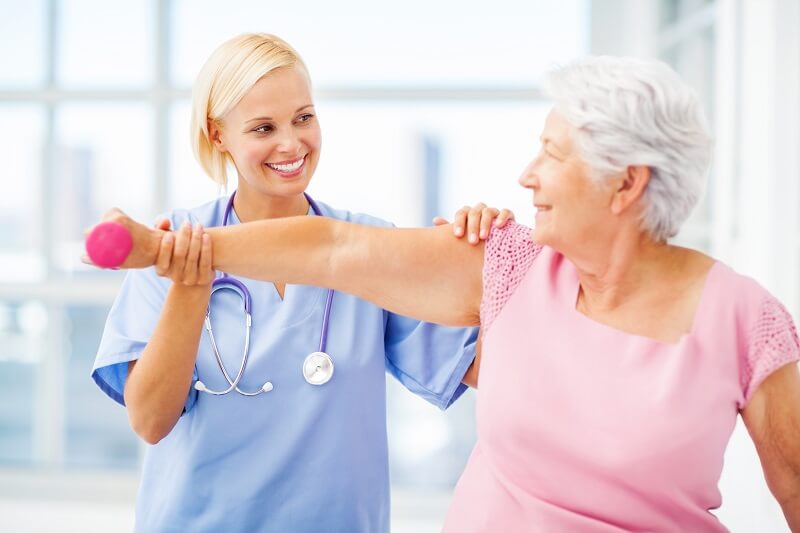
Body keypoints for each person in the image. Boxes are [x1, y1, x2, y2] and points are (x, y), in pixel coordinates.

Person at [93, 55, 800, 531]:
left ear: (627, 182)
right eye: (264, 124)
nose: (525, 175)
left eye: (551, 155)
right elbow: (332, 248)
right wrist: (168, 253)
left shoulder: (743, 318)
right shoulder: (508, 265)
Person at [90, 33, 515, 532]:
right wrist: (190, 282)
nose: (291, 143)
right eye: (263, 127)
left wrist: (493, 260)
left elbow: (495, 372)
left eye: (304, 118)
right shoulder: (173, 245)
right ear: (217, 135)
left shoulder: (370, 244)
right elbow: (150, 421)